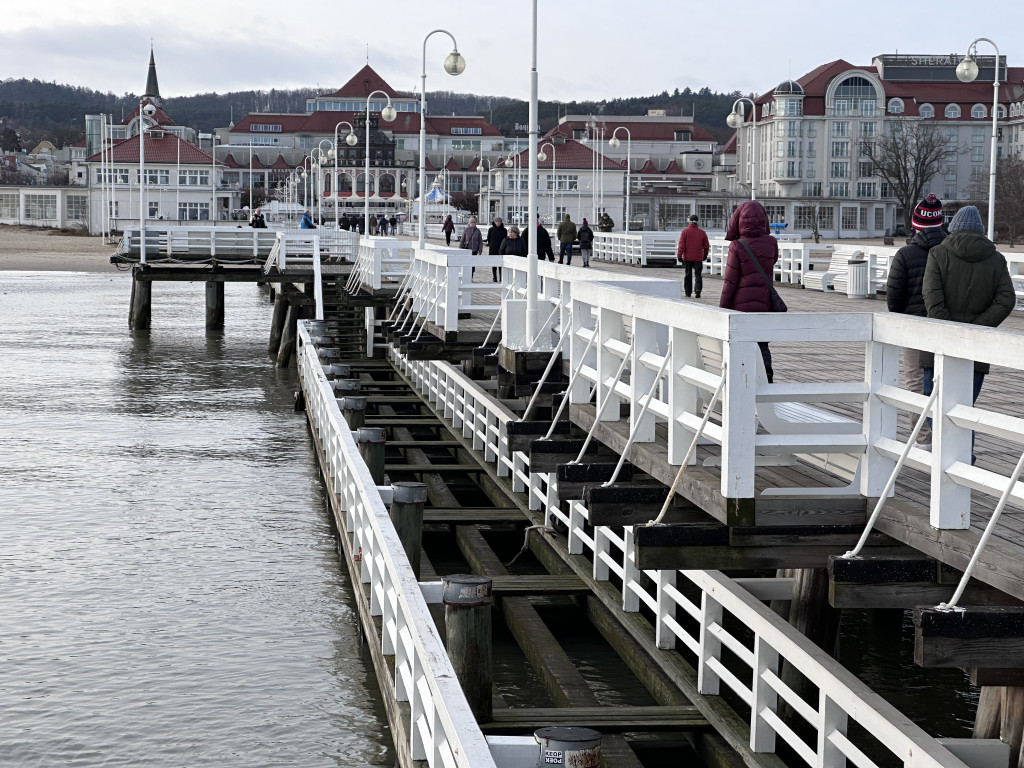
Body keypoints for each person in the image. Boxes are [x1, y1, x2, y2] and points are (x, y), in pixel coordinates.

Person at [922, 204, 1015, 462]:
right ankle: (964, 460)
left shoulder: (938, 253)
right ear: (980, 230)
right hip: (977, 345)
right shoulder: (996, 259)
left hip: (938, 342)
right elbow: (1006, 299)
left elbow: (931, 299)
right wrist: (978, 327)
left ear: (953, 228)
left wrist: (951, 330)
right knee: (964, 408)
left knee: (933, 405)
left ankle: (946, 462)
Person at [886, 193, 945, 447]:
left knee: (915, 382)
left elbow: (894, 296)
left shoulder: (906, 254)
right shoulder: (949, 252)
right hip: (946, 325)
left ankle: (923, 438)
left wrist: (900, 321)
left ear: (916, 224)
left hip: (913, 325)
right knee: (945, 381)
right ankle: (945, 436)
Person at [719, 201, 779, 382]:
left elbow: (730, 281)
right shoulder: (771, 242)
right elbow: (772, 262)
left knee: (740, 344)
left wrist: (722, 309)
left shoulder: (737, 246)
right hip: (764, 303)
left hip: (740, 305)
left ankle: (742, 381)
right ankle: (766, 375)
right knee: (762, 342)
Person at [676, 214, 710, 298]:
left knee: (688, 274)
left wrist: (679, 256)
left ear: (690, 221)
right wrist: (705, 254)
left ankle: (688, 292)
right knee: (698, 274)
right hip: (698, 258)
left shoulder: (685, 232)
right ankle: (698, 289)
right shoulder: (702, 233)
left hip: (688, 257)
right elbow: (706, 245)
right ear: (697, 222)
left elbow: (681, 245)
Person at [485, 217, 507, 282]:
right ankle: (494, 277)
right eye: (496, 222)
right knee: (494, 264)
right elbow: (488, 238)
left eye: (499, 222)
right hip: (493, 248)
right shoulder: (491, 230)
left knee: (501, 264)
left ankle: (501, 277)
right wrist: (491, 244)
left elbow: (505, 239)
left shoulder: (504, 230)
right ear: (494, 222)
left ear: (501, 222)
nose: (498, 223)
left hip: (501, 248)